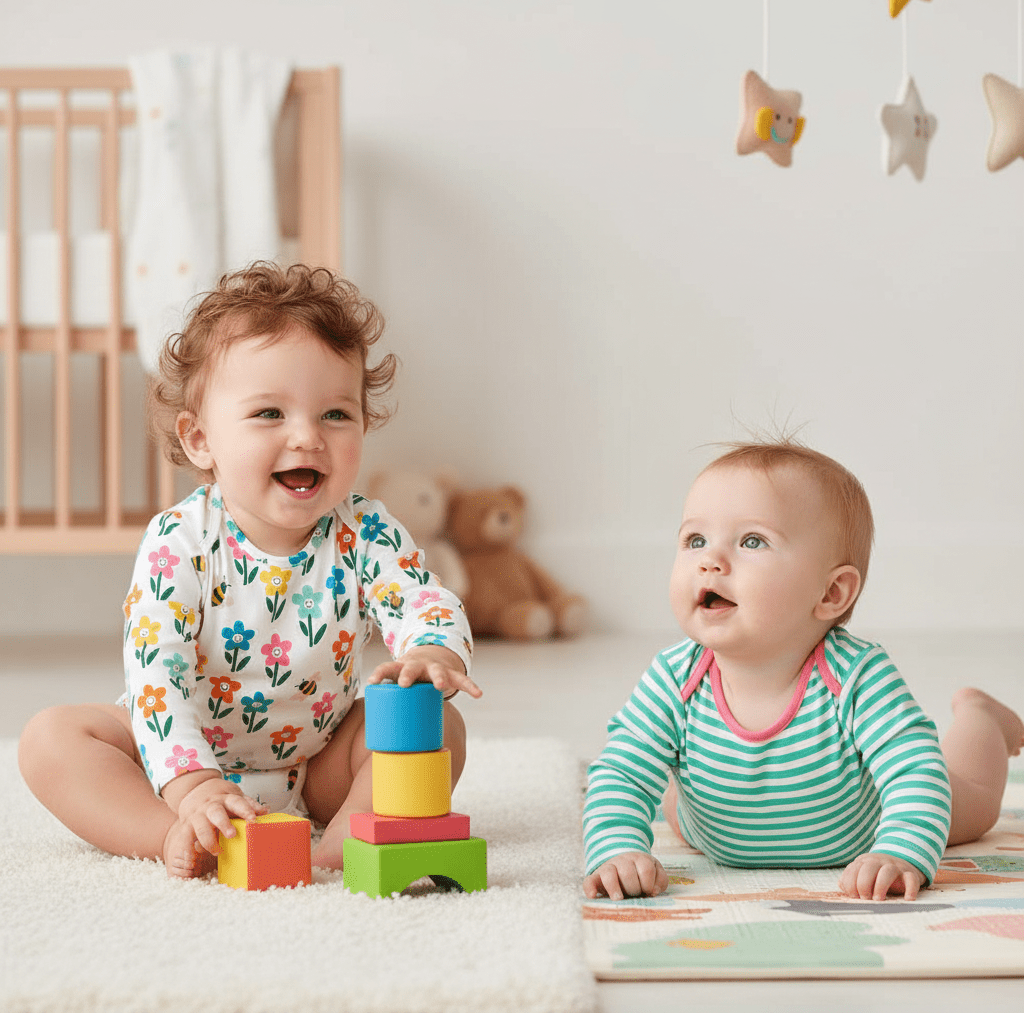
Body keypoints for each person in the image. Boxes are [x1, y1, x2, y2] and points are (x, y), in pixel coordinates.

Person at [18, 262, 480, 879]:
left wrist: (433, 651)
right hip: (177, 756)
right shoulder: (179, 541)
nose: (307, 437)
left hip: (319, 762)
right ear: (200, 439)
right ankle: (172, 837)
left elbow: (420, 599)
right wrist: (192, 786)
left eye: (336, 415)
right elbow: (159, 675)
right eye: (269, 414)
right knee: (50, 741)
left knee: (438, 725)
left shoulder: (364, 530)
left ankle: (344, 842)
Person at [583, 439, 1023, 903]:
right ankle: (702, 796)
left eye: (752, 541)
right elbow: (622, 772)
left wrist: (900, 853)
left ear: (832, 593)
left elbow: (914, 771)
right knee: (664, 789)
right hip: (711, 822)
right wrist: (618, 851)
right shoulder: (673, 677)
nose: (709, 560)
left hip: (862, 825)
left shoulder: (856, 675)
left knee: (969, 802)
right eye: (695, 540)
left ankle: (983, 716)